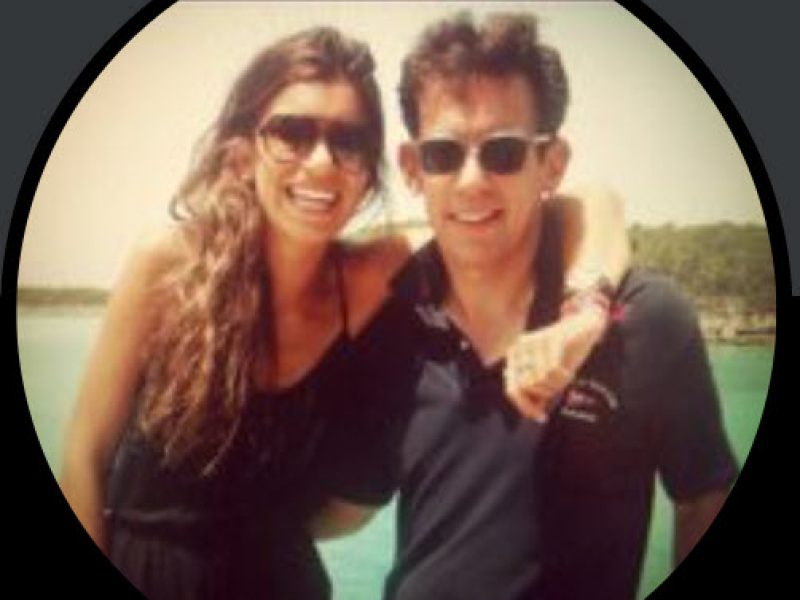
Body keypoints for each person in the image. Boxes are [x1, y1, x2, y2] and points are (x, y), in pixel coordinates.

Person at [58, 24, 630, 600]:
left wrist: (585, 312)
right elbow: (85, 455)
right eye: (292, 133)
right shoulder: (169, 263)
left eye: (349, 141)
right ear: (242, 155)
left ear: (369, 172)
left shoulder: (368, 277)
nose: (321, 162)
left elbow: (586, 203)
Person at [318, 11, 739, 600]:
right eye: (442, 154)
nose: (471, 181)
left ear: (552, 164)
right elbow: (349, 504)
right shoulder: (390, 325)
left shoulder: (645, 320)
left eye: (504, 152)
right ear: (413, 169)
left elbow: (704, 496)